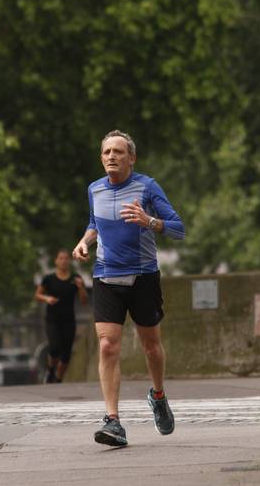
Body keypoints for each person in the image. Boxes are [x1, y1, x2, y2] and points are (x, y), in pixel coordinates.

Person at [73, 130, 185, 447]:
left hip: (143, 277)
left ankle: (159, 395)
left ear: (131, 158)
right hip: (106, 276)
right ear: (101, 157)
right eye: (107, 151)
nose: (111, 156)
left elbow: (178, 229)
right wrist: (83, 242)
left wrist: (149, 221)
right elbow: (95, 223)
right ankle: (113, 421)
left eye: (118, 152)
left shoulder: (147, 187)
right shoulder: (94, 189)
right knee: (108, 346)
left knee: (151, 347)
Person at [35, 249, 88, 383]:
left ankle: (59, 379)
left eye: (66, 258)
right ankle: (51, 371)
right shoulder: (49, 279)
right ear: (56, 261)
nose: (64, 261)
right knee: (54, 347)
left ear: (69, 261)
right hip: (52, 319)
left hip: (69, 320)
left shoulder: (75, 279)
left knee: (66, 353)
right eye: (61, 258)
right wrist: (47, 299)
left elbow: (84, 301)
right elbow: (37, 295)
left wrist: (81, 287)